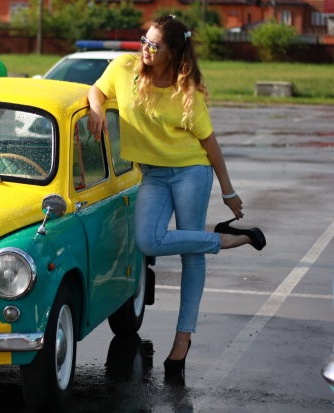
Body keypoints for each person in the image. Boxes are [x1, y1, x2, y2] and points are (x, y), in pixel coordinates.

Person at [87, 15, 266, 380]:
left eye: (155, 46)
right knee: (147, 239)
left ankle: (182, 341)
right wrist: (94, 109)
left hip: (190, 173)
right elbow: (97, 90)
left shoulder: (188, 91)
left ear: (172, 53)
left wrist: (228, 192)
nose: (145, 49)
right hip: (152, 174)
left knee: (191, 256)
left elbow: (209, 144)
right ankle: (227, 239)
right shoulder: (124, 67)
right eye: (145, 40)